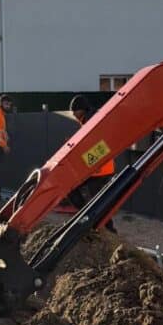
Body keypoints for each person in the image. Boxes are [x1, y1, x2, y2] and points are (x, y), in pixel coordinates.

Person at [69, 94, 117, 232]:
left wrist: (83, 161)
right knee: (97, 201)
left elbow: (101, 146)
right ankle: (91, 220)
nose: (73, 114)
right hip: (98, 168)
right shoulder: (89, 119)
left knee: (98, 202)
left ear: (82, 109)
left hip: (100, 170)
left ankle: (107, 229)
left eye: (74, 111)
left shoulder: (91, 121)